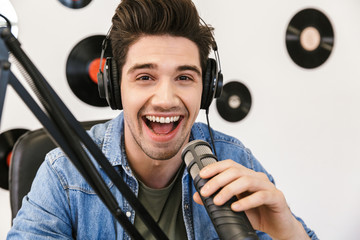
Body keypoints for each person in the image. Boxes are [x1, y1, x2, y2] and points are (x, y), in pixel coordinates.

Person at [8, 0, 318, 239]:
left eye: (184, 76)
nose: (166, 99)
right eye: (145, 76)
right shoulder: (65, 173)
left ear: (208, 87)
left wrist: (288, 230)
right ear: (114, 86)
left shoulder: (234, 160)